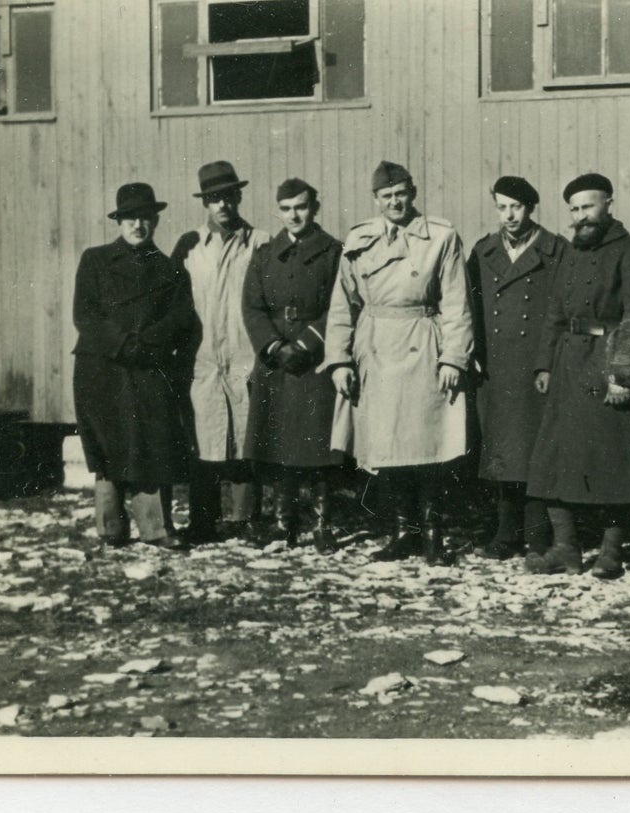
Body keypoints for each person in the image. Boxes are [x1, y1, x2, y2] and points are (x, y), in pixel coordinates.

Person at [323, 161, 474, 564]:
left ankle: (432, 536)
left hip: (423, 343)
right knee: (386, 446)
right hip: (374, 346)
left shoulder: (441, 236)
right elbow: (343, 304)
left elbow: (457, 303)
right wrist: (338, 359)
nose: (395, 202)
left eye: (401, 194)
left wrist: (453, 359)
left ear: (413, 192)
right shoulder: (359, 240)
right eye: (386, 196)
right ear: (375, 200)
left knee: (427, 446)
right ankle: (401, 531)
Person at [526, 174, 630, 580]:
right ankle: (565, 548)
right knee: (553, 461)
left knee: (612, 463)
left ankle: (611, 553)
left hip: (608, 365)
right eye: (574, 209)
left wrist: (625, 375)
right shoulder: (569, 253)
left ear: (609, 204)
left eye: (588, 206)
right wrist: (544, 364)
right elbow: (553, 312)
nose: (581, 216)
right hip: (569, 365)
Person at [71, 182, 199, 550]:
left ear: (155, 220)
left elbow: (179, 318)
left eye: (145, 217)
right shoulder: (94, 260)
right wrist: (122, 343)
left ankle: (156, 527)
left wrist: (146, 345)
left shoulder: (169, 270)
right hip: (102, 367)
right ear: (119, 221)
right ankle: (110, 526)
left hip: (147, 365)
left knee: (151, 441)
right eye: (130, 218)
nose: (138, 225)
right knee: (107, 444)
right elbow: (86, 314)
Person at [241, 178, 345, 551]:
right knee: (279, 443)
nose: (293, 215)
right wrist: (272, 345)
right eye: (285, 208)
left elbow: (341, 305)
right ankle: (283, 522)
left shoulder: (334, 252)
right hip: (275, 361)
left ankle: (322, 525)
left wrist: (305, 344)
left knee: (317, 446)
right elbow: (252, 306)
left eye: (300, 207)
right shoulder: (265, 254)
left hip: (313, 359)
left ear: (315, 207)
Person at [467, 176, 565, 559]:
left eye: (517, 207)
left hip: (537, 364)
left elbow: (562, 310)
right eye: (502, 207)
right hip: (495, 364)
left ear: (531, 208)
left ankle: (538, 536)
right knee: (502, 452)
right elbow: (468, 304)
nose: (509, 215)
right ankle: (506, 533)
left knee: (535, 452)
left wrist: (549, 361)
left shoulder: (556, 250)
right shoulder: (483, 251)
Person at [174, 160, 269, 542]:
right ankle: (202, 520)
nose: (222, 205)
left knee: (247, 439)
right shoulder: (191, 246)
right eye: (214, 199)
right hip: (204, 359)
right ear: (205, 203)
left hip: (245, 356)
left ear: (238, 196)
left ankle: (245, 519)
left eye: (228, 196)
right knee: (206, 440)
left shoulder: (260, 241)